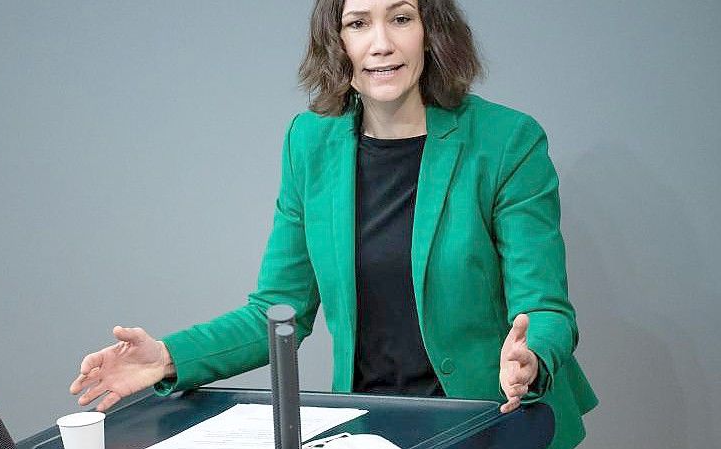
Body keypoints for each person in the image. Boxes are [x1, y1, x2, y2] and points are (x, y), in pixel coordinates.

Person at [69, 0, 598, 447]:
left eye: (402, 18)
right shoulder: (310, 142)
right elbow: (276, 314)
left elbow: (545, 308)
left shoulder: (506, 141)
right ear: (336, 41)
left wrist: (530, 356)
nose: (382, 43)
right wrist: (166, 358)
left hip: (493, 419)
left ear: (431, 31)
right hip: (374, 427)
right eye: (358, 23)